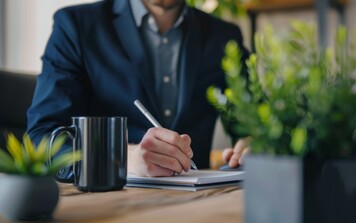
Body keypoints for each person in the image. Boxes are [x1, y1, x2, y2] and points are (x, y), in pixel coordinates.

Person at [27, 0, 248, 179]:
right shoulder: (75, 26)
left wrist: (255, 145)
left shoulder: (224, 37)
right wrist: (122, 158)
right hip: (110, 206)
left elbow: (253, 125)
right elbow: (42, 138)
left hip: (199, 204)